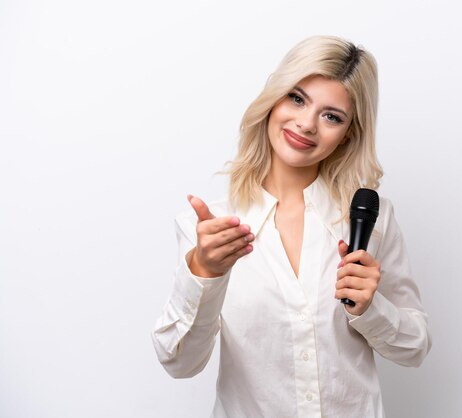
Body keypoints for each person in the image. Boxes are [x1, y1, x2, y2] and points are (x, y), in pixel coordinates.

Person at [152, 35, 431, 417]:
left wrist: (370, 308)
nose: (306, 123)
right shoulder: (209, 229)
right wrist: (204, 272)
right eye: (297, 99)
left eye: (331, 115)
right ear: (274, 99)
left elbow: (415, 347)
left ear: (348, 133)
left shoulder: (371, 220)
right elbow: (179, 363)